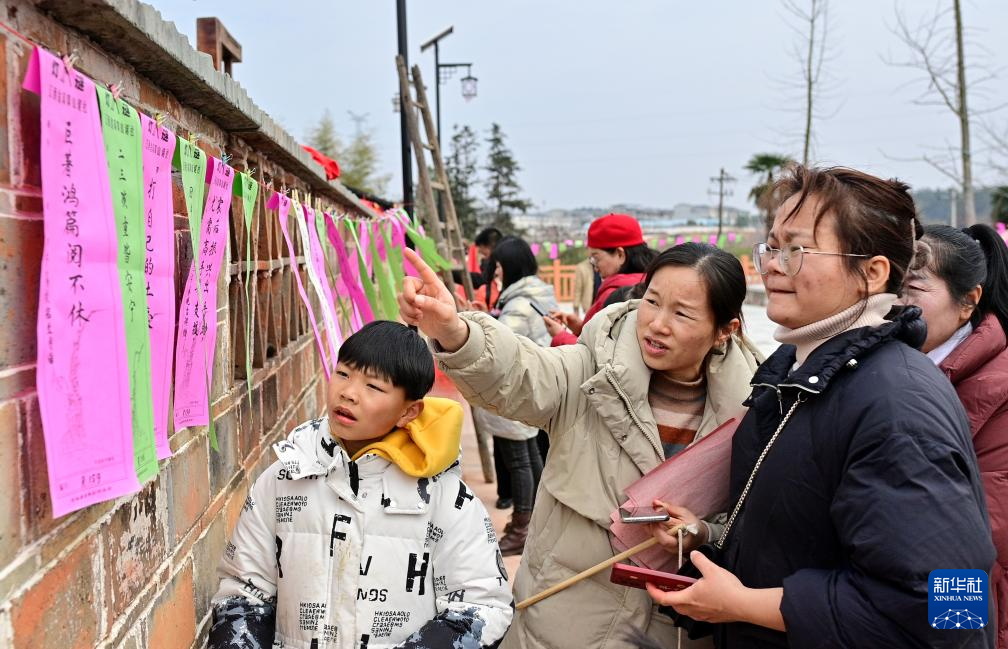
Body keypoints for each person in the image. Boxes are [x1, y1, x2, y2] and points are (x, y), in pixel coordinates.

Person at [646, 166, 996, 649]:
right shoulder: (795, 375)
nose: (772, 266)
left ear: (872, 272)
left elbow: (953, 610)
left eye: (796, 251)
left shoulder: (898, 404)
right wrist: (709, 543)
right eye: (772, 247)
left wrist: (744, 605)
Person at [398, 240, 763, 649]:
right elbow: (522, 371)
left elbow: (756, 526)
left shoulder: (756, 411)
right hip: (562, 621)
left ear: (725, 330)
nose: (658, 324)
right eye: (652, 301)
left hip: (675, 632)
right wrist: (454, 331)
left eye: (682, 313)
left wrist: (702, 532)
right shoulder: (592, 372)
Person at [209, 321, 513, 649]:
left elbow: (481, 607)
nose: (348, 393)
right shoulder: (284, 479)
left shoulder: (446, 498)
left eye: (373, 386)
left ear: (408, 411)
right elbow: (243, 592)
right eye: (343, 373)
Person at [903, 223, 1008, 646]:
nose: (897, 301)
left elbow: (977, 532)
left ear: (968, 302)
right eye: (893, 285)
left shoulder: (996, 388)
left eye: (913, 287)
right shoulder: (908, 367)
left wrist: (952, 629)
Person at [472, 236, 558, 556]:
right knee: (530, 455)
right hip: (532, 386)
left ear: (509, 266)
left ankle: (522, 527)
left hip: (515, 389)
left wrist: (474, 325)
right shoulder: (536, 293)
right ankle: (533, 521)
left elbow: (499, 345)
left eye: (497, 266)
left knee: (519, 458)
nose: (494, 272)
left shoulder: (520, 304)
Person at [547, 213, 657, 345]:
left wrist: (560, 336)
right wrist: (581, 328)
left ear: (620, 254)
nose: (595, 267)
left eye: (596, 258)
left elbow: (593, 351)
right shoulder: (654, 282)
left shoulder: (615, 295)